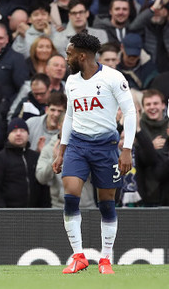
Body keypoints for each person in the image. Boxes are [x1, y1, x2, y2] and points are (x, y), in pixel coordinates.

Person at [52, 31, 137, 274]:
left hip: (106, 146)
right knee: (70, 192)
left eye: (68, 54)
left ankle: (106, 259)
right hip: (78, 145)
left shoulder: (113, 77)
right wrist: (61, 151)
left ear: (81, 56)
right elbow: (70, 116)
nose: (65, 58)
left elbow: (130, 113)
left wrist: (127, 149)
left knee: (106, 202)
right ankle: (78, 255)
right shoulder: (71, 81)